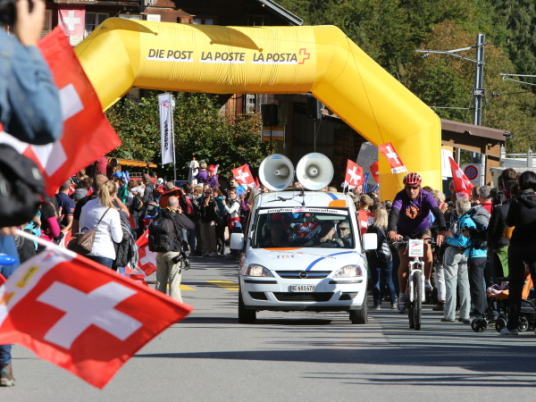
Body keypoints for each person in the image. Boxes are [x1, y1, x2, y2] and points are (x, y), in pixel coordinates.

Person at [388, 173, 447, 313]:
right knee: (404, 260)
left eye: (414, 187)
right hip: (404, 232)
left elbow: (437, 212)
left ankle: (426, 281)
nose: (411, 190)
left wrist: (442, 231)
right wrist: (391, 231)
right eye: (408, 187)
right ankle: (402, 295)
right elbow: (394, 213)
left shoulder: (426, 196)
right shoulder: (400, 196)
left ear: (419, 187)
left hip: (422, 230)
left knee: (427, 245)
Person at [501, 171, 536, 335]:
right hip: (535, 245)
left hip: (518, 246)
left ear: (520, 184)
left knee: (515, 285)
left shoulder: (516, 201)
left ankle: (512, 325)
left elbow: (509, 222)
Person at [155, 196, 195, 302]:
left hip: (160, 251)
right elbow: (191, 226)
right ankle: (175, 306)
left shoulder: (160, 215)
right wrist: (180, 214)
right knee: (174, 281)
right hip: (174, 252)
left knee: (160, 281)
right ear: (177, 205)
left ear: (167, 204)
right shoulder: (177, 217)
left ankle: (159, 304)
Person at [441, 197, 472, 324]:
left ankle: (450, 314)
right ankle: (465, 313)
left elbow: (460, 241)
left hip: (453, 252)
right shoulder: (471, 219)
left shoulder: (457, 219)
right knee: (465, 284)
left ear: (458, 210)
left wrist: (447, 239)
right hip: (467, 253)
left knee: (451, 284)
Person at [78, 181, 123, 268]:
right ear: (114, 194)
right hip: (104, 252)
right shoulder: (112, 212)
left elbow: (81, 225)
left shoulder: (87, 205)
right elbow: (118, 239)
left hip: (85, 249)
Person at [366, 207, 397, 309]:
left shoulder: (372, 228)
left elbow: (367, 243)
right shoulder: (390, 229)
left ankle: (377, 303)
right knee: (389, 280)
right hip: (387, 256)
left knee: (376, 281)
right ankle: (393, 302)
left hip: (374, 257)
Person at [200, 187, 219, 257]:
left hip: (211, 219)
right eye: (206, 193)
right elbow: (201, 210)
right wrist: (204, 205)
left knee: (212, 236)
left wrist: (207, 205)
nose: (207, 194)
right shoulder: (203, 199)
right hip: (204, 219)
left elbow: (213, 211)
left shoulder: (213, 201)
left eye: (209, 193)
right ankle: (207, 250)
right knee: (205, 235)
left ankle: (213, 250)